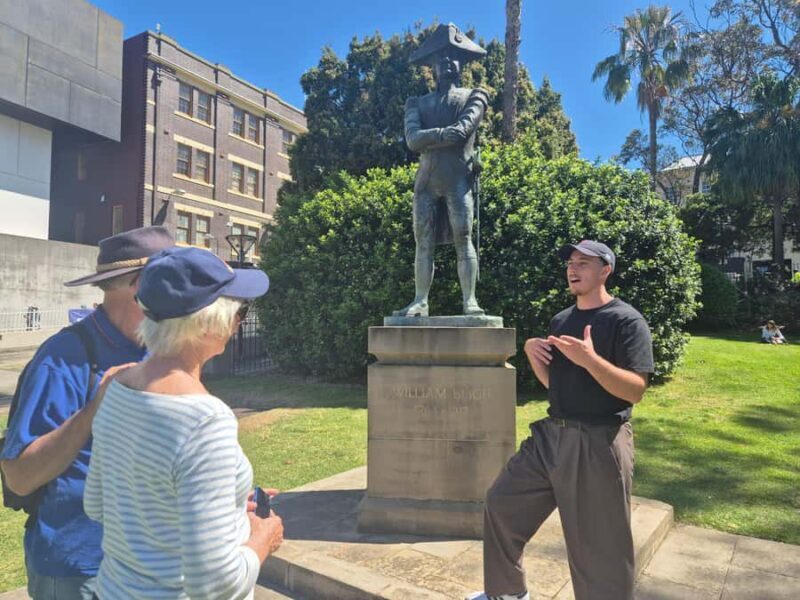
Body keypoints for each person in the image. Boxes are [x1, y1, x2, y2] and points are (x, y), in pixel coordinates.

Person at [84, 247, 283, 599]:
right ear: (207, 324)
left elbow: (97, 506)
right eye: (239, 311)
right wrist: (262, 538)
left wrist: (227, 505)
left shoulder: (117, 388)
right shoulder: (205, 421)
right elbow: (216, 584)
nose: (239, 322)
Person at [468, 240, 654, 600]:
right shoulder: (562, 320)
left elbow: (635, 389)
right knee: (502, 504)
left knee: (600, 546)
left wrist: (591, 360)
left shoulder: (626, 321)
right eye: (571, 262)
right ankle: (506, 593)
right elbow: (560, 386)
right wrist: (533, 356)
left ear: (605, 270)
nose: (573, 269)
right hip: (551, 437)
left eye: (584, 262)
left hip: (598, 441)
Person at [0, 226, 174, 600]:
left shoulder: (159, 350)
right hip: (79, 571)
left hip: (144, 563)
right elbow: (18, 476)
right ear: (143, 284)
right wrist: (96, 407)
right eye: (172, 279)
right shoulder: (64, 357)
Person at [393, 23, 490, 317]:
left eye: (452, 57)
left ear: (461, 63)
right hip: (426, 183)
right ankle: (420, 300)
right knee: (423, 243)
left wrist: (429, 136)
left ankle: (469, 301)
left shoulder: (475, 95)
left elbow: (461, 132)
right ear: (432, 68)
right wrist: (441, 134)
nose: (447, 63)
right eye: (440, 59)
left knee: (463, 238)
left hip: (458, 181)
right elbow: (412, 140)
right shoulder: (416, 103)